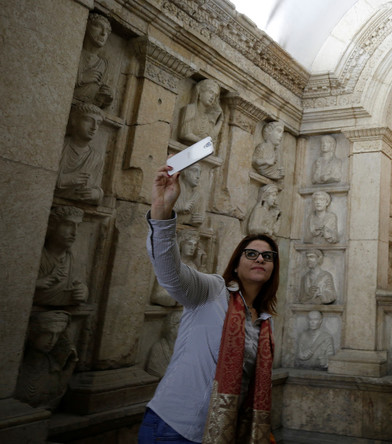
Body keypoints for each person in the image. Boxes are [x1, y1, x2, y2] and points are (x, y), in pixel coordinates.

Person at [139, 163, 280, 443]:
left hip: (222, 434)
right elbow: (170, 272)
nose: (260, 259)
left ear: (274, 268)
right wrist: (162, 210)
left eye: (268, 256)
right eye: (251, 254)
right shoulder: (213, 291)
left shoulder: (264, 322)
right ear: (236, 265)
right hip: (174, 427)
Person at [14, 310, 78, 409]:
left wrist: (71, 364)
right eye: (47, 334)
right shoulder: (16, 366)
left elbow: (54, 397)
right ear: (32, 333)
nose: (52, 340)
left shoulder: (53, 369)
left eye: (57, 335)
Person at [35, 206, 89, 306]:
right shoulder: (36, 255)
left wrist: (83, 291)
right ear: (52, 224)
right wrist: (34, 284)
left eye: (78, 226)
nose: (75, 233)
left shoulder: (74, 260)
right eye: (68, 225)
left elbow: (78, 283)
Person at [57, 103, 105, 203]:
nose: (94, 127)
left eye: (98, 123)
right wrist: (67, 179)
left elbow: (95, 186)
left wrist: (96, 194)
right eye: (88, 120)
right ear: (74, 120)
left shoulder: (96, 157)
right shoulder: (59, 146)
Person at [74, 13, 113, 107]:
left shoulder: (104, 63)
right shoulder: (75, 52)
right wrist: (81, 78)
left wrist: (105, 97)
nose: (103, 33)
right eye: (98, 26)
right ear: (86, 25)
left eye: (107, 30)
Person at [178, 79, 223, 145]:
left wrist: (221, 119)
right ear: (200, 92)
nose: (213, 97)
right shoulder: (190, 109)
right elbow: (185, 134)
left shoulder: (207, 118)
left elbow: (211, 137)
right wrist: (203, 142)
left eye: (215, 95)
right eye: (210, 92)